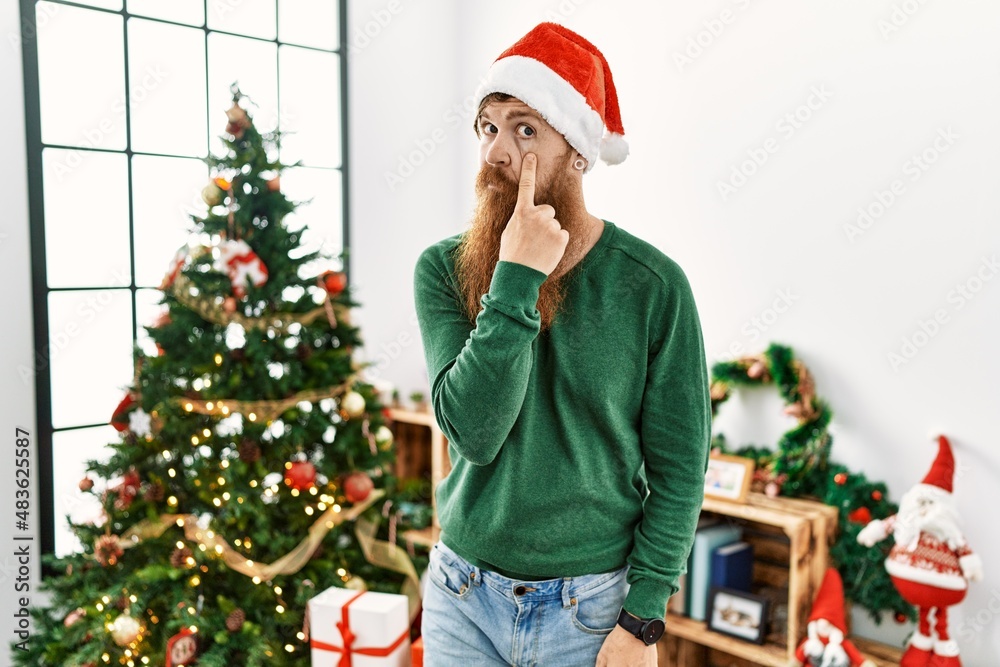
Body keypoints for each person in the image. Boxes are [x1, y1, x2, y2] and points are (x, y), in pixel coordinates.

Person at [413, 22, 711, 667]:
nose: (495, 152)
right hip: (461, 596)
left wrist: (643, 620)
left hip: (591, 611)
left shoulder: (653, 286)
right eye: (487, 127)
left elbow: (680, 468)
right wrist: (516, 278)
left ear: (578, 152)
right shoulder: (443, 270)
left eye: (524, 129)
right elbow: (473, 432)